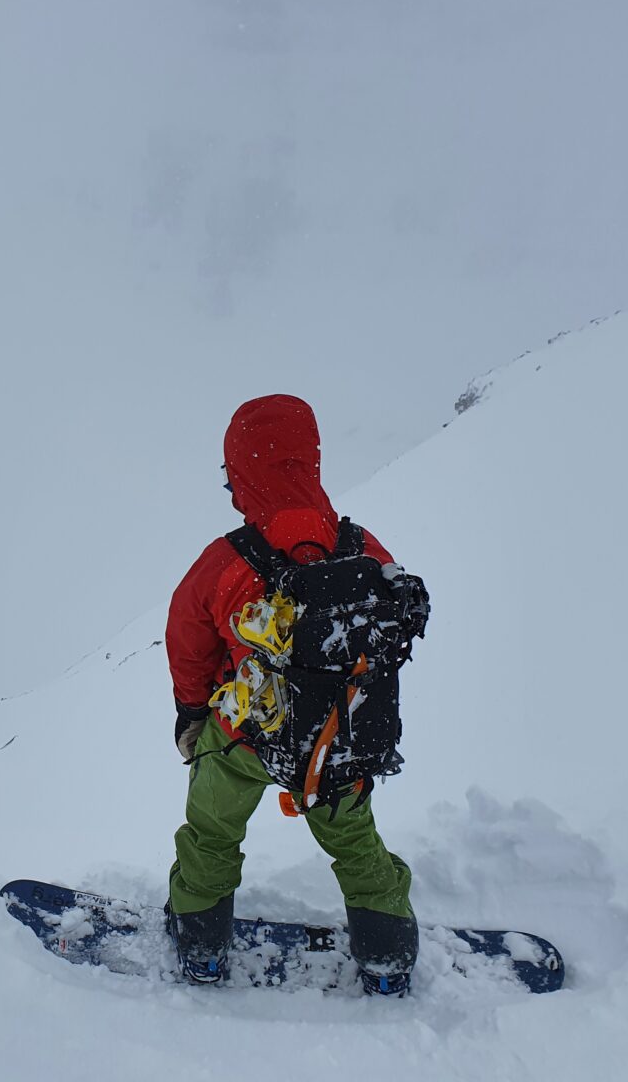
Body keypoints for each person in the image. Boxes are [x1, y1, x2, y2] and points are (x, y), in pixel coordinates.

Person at [164, 394, 419, 995]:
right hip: (336, 740)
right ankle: (385, 957)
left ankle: (202, 947)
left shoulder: (227, 560)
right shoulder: (361, 547)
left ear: (242, 475)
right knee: (355, 843)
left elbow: (188, 640)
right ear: (309, 464)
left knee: (212, 832)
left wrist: (191, 713)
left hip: (245, 732)